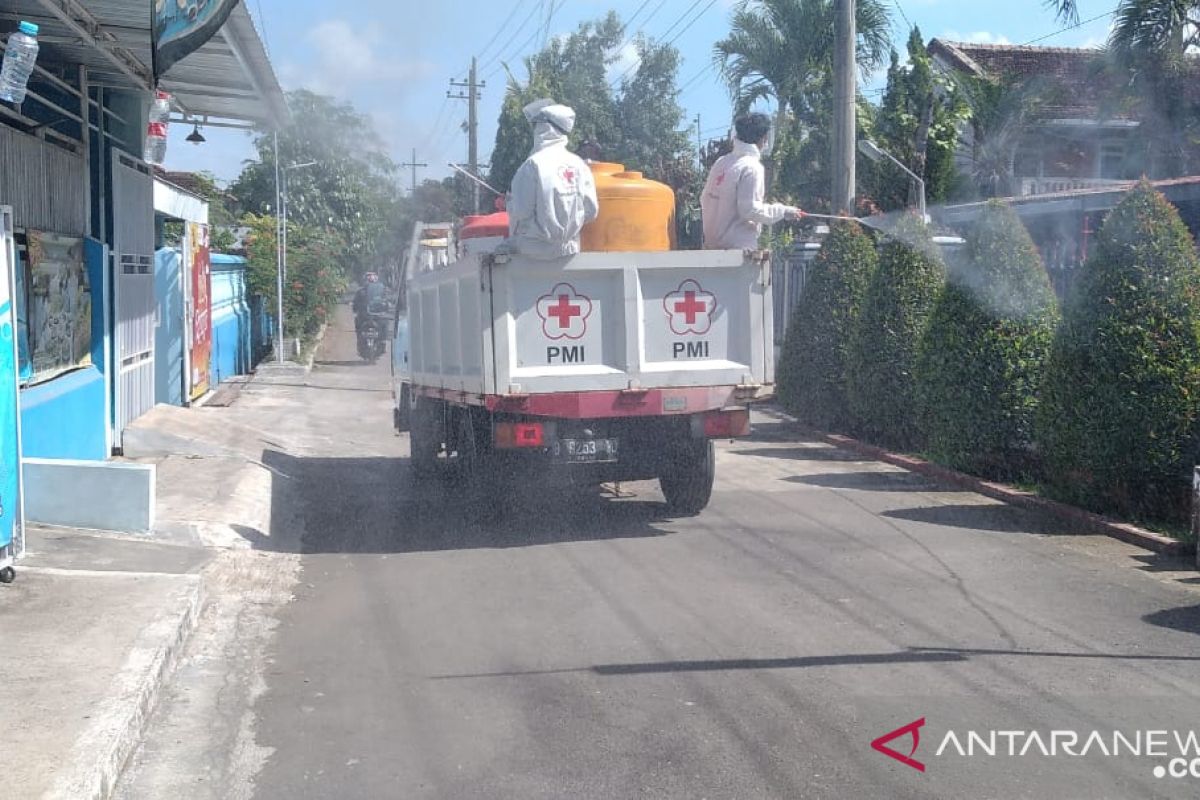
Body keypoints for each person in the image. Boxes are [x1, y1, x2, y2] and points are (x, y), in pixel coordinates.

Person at [506, 99, 599, 259]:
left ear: (544, 127)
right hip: (570, 252)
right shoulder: (579, 164)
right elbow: (591, 211)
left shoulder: (532, 165)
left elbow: (521, 212)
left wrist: (509, 203)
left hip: (533, 252)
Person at [700, 113, 802, 250]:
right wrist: (782, 211)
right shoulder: (752, 167)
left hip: (710, 250)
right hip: (739, 254)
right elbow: (750, 210)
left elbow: (704, 199)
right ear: (764, 138)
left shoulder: (722, 163)